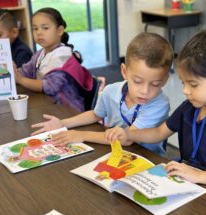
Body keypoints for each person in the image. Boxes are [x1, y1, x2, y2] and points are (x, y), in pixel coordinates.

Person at [105, 28, 206, 200]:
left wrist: (199, 176)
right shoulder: (190, 108)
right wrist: (128, 134)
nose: (185, 91)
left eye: (193, 84)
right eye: (183, 82)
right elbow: (159, 132)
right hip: (190, 185)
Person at [31, 32, 173, 156]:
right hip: (112, 150)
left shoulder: (159, 103)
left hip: (147, 158)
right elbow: (95, 115)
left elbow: (127, 139)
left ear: (165, 79)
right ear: (124, 71)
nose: (145, 91)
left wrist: (80, 135)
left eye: (155, 84)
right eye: (137, 81)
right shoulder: (111, 91)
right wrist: (62, 123)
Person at [13, 7, 95, 112]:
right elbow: (26, 71)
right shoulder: (40, 53)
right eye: (35, 28)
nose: (39, 33)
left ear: (60, 30)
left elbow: (50, 87)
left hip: (66, 109)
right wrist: (14, 71)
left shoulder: (63, 56)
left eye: (45, 28)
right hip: (47, 103)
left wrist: (20, 80)